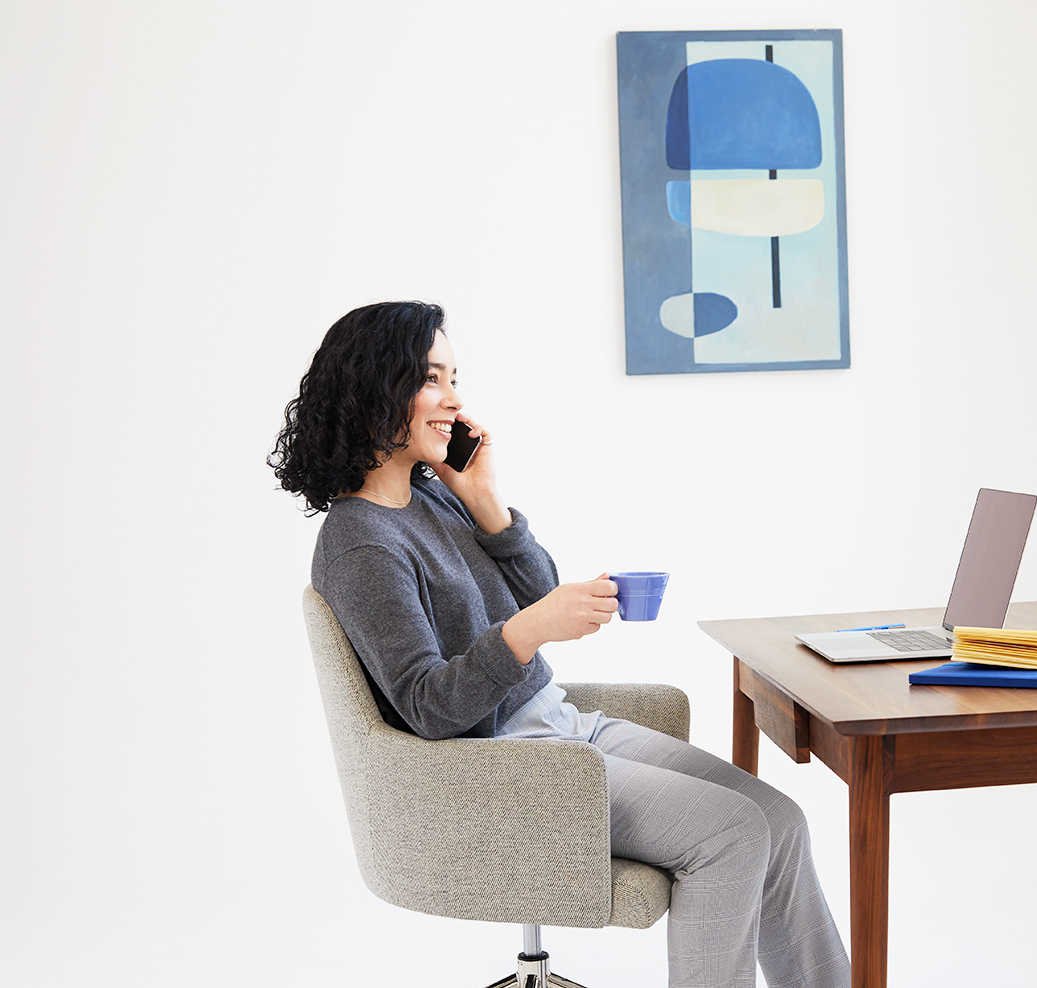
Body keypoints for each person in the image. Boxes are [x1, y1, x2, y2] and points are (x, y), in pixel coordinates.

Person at [268, 300, 851, 988]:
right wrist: (529, 631)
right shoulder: (362, 543)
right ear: (376, 388)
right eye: (432, 379)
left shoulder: (436, 498)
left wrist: (486, 501)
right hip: (505, 768)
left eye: (455, 378)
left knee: (778, 817)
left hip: (559, 728)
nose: (454, 400)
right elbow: (428, 706)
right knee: (731, 833)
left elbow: (533, 586)